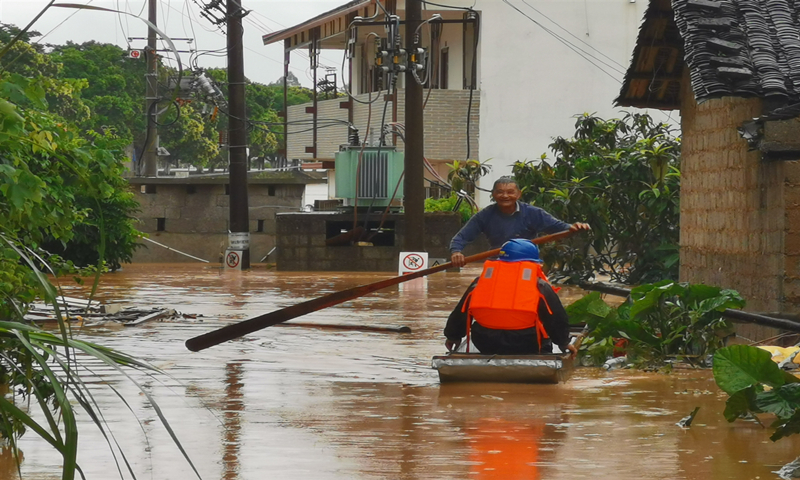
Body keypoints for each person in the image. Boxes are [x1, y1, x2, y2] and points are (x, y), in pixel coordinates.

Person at [444, 239, 577, 357]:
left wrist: (453, 336)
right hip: (526, 343)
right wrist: (563, 343)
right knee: (544, 329)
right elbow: (555, 316)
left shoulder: (480, 282)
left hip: (485, 341)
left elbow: (461, 311)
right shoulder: (539, 285)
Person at [449, 176, 590, 268]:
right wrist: (456, 252)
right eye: (500, 192)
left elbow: (558, 228)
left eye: (510, 192)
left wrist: (573, 227)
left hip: (528, 264)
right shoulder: (485, 215)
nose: (505, 196)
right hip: (496, 264)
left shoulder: (533, 213)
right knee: (472, 297)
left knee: (546, 298)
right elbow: (461, 237)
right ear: (493, 195)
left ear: (518, 194)